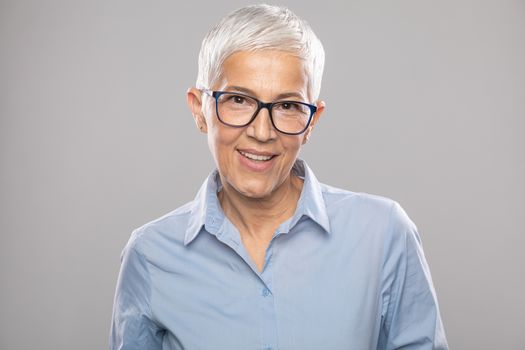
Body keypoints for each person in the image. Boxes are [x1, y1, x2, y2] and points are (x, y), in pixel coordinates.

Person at [109, 4, 448, 349]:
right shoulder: (150, 254)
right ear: (200, 110)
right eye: (238, 99)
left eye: (287, 106)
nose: (261, 131)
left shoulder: (384, 234)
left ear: (312, 122)